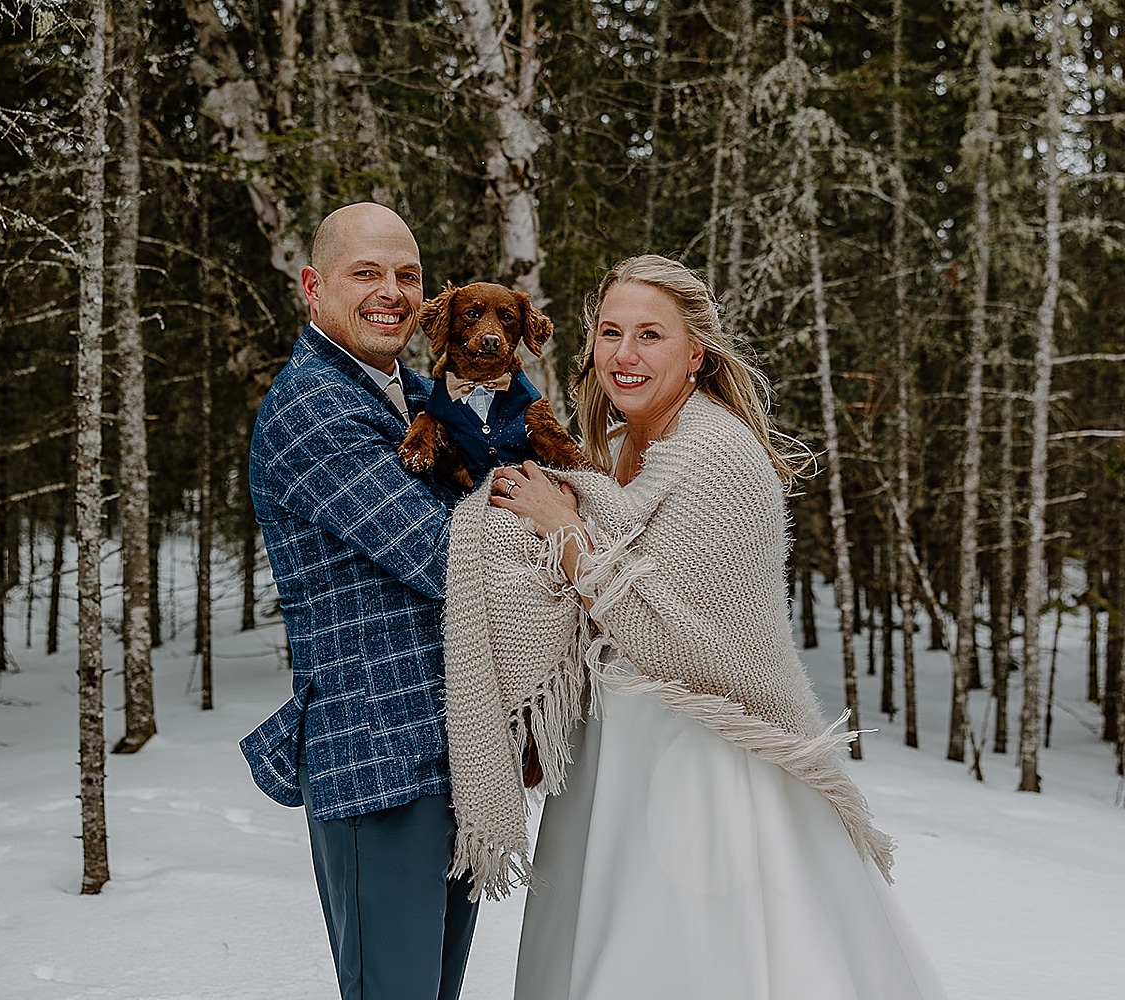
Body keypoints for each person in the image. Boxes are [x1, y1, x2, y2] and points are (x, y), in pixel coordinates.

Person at [440, 255, 946, 998]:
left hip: (703, 764)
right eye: (611, 333)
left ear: (695, 353)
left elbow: (669, 636)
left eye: (651, 335)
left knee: (685, 961)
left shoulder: (718, 453)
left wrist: (560, 527)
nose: (625, 354)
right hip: (615, 755)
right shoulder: (615, 452)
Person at [240, 202, 478, 1000]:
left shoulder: (418, 392)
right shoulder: (314, 404)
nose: (391, 292)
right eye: (365, 272)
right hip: (377, 761)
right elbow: (452, 558)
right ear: (313, 287)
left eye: (406, 275)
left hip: (453, 754)